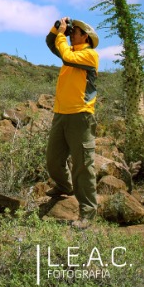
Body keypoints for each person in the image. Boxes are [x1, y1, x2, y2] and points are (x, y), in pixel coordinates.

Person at [45, 17, 99, 229]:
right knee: (53, 159)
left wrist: (61, 35)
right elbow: (51, 43)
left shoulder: (89, 55)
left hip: (80, 115)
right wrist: (57, 28)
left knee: (83, 165)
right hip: (61, 114)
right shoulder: (71, 53)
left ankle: (87, 213)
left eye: (74, 31)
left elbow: (66, 56)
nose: (71, 34)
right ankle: (64, 186)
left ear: (85, 36)